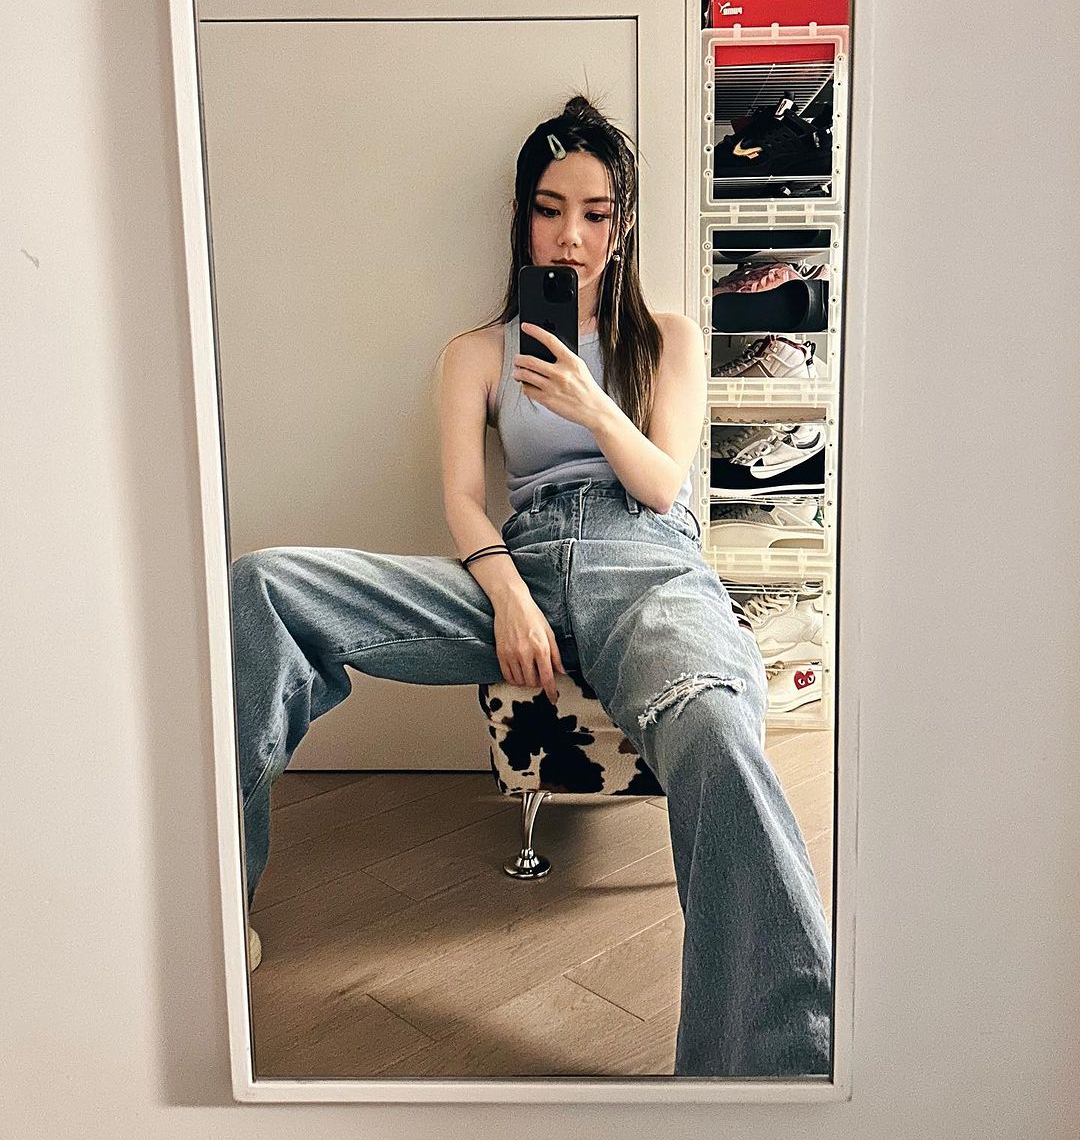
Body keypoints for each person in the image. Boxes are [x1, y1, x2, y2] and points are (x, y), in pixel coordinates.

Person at [230, 94, 832, 1077]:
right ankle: (218, 905)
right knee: (264, 585)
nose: (571, 236)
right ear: (522, 217)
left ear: (622, 224)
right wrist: (507, 592)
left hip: (649, 566)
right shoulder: (475, 352)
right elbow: (464, 499)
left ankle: (766, 1072)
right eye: (550, 210)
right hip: (521, 563)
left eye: (595, 213)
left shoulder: (670, 337)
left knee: (718, 726)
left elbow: (664, 485)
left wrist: (593, 404)